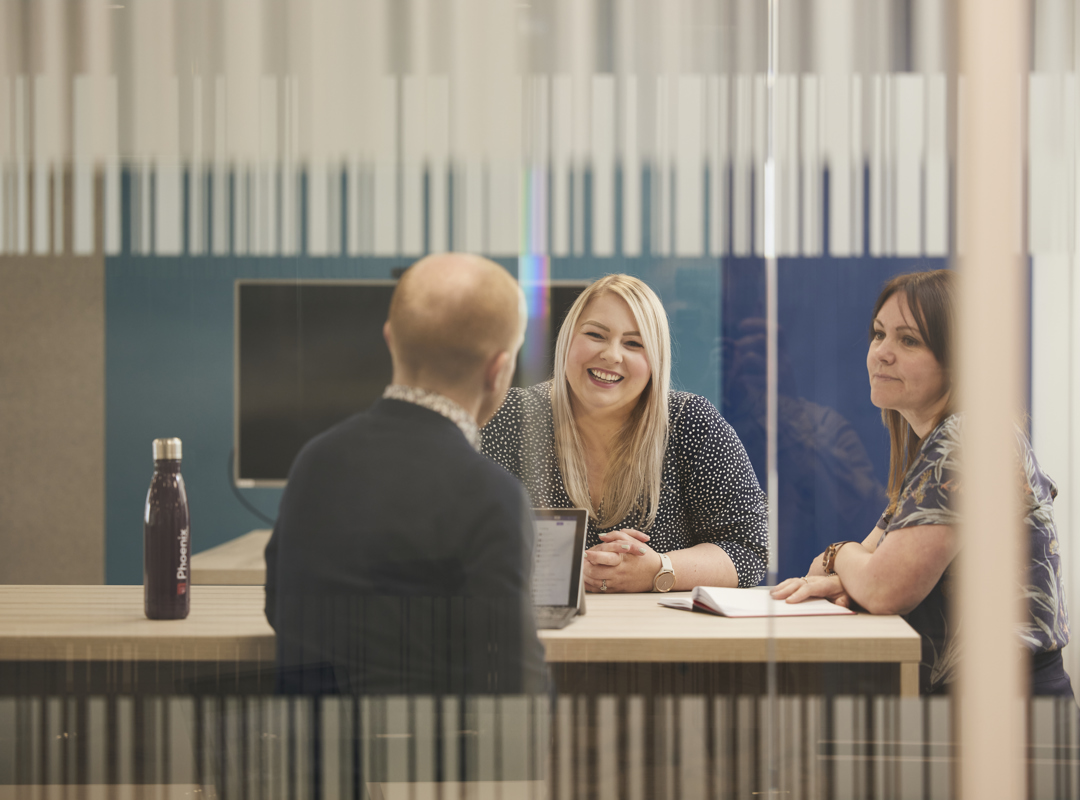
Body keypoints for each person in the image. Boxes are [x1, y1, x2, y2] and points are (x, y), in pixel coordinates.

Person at [771, 269, 1072, 696]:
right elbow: (836, 572)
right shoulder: (937, 450)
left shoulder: (966, 440)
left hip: (1008, 716)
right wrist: (852, 571)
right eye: (879, 334)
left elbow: (882, 587)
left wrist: (841, 556)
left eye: (908, 340)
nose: (882, 353)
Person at [264, 252, 547, 695]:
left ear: (390, 339)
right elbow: (515, 689)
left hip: (310, 758)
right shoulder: (491, 494)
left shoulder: (314, 461)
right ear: (498, 370)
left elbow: (279, 609)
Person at [481, 274, 767, 593]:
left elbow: (749, 549)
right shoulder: (510, 415)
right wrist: (568, 568)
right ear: (567, 339)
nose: (612, 355)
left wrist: (659, 569)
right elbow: (461, 540)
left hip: (657, 637)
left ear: (655, 358)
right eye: (595, 335)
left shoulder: (690, 421)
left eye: (634, 343)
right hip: (536, 635)